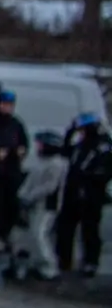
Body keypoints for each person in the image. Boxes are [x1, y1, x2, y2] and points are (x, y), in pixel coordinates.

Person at [58, 113, 112, 277]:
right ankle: (64, 260)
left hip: (91, 194)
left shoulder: (103, 146)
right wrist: (70, 132)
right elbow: (66, 151)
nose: (80, 132)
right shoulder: (80, 144)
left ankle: (90, 262)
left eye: (82, 129)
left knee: (90, 230)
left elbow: (105, 171)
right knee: (65, 228)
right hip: (73, 192)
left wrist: (89, 180)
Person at [15, 130, 69, 281]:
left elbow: (49, 187)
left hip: (47, 206)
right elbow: (30, 180)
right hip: (33, 204)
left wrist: (30, 197)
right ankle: (36, 263)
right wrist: (22, 195)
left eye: (41, 145)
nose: (38, 147)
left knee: (40, 234)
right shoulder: (40, 162)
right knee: (31, 234)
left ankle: (50, 266)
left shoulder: (57, 164)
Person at [0, 91, 30, 264]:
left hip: (12, 172)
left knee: (11, 207)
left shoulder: (16, 123)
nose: (7, 108)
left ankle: (6, 235)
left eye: (10, 105)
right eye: (4, 104)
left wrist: (21, 150)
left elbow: (25, 143)